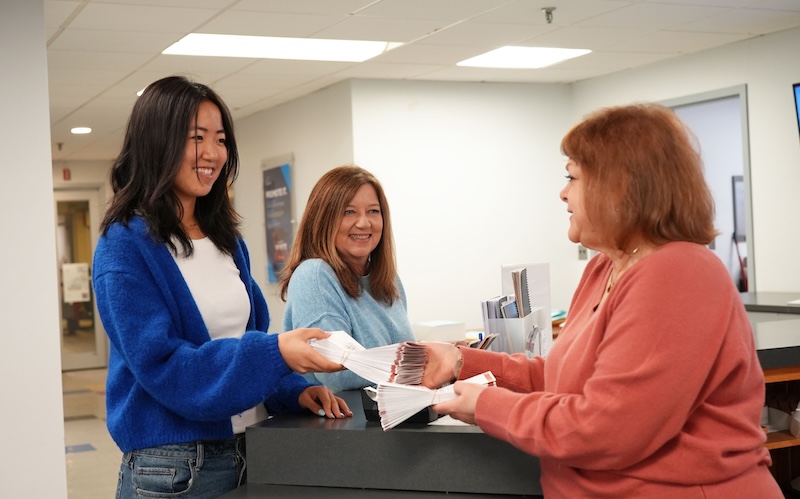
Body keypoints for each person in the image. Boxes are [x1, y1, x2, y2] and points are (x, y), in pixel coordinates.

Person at [421, 103, 782, 498]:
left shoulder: (680, 272)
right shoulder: (604, 267)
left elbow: (610, 428)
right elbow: (567, 381)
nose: (562, 193)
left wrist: (488, 406)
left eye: (572, 176)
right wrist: (462, 361)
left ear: (620, 186)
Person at [92, 75, 351, 499]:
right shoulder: (124, 245)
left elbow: (243, 339)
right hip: (173, 469)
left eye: (221, 139)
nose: (213, 153)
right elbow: (166, 367)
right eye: (197, 137)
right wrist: (277, 352)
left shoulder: (226, 240)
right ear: (158, 141)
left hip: (249, 450)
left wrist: (290, 388)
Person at [279, 165, 416, 393]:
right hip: (341, 425)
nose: (364, 223)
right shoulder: (314, 276)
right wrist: (423, 362)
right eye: (349, 212)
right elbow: (337, 372)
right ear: (323, 220)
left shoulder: (389, 280)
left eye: (373, 211)